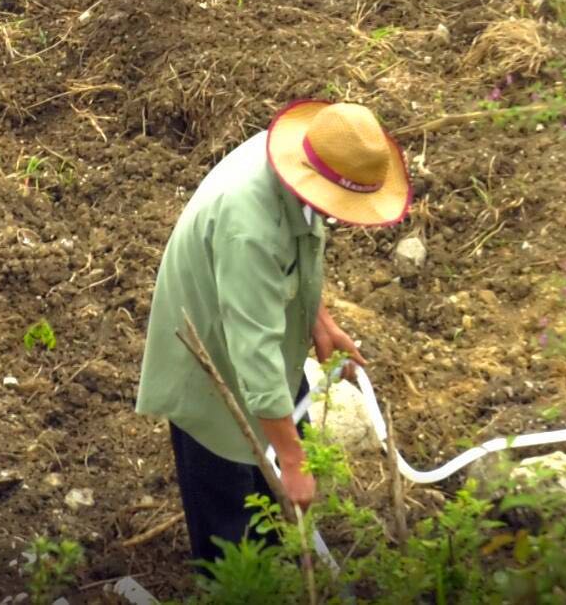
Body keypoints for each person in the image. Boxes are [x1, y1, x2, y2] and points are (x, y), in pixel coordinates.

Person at [135, 100, 412, 568]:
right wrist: (294, 459)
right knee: (231, 532)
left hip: (257, 337)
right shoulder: (250, 226)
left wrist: (319, 321)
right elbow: (254, 350)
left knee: (278, 498)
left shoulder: (299, 166)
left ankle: (284, 556)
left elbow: (295, 257)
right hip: (209, 367)